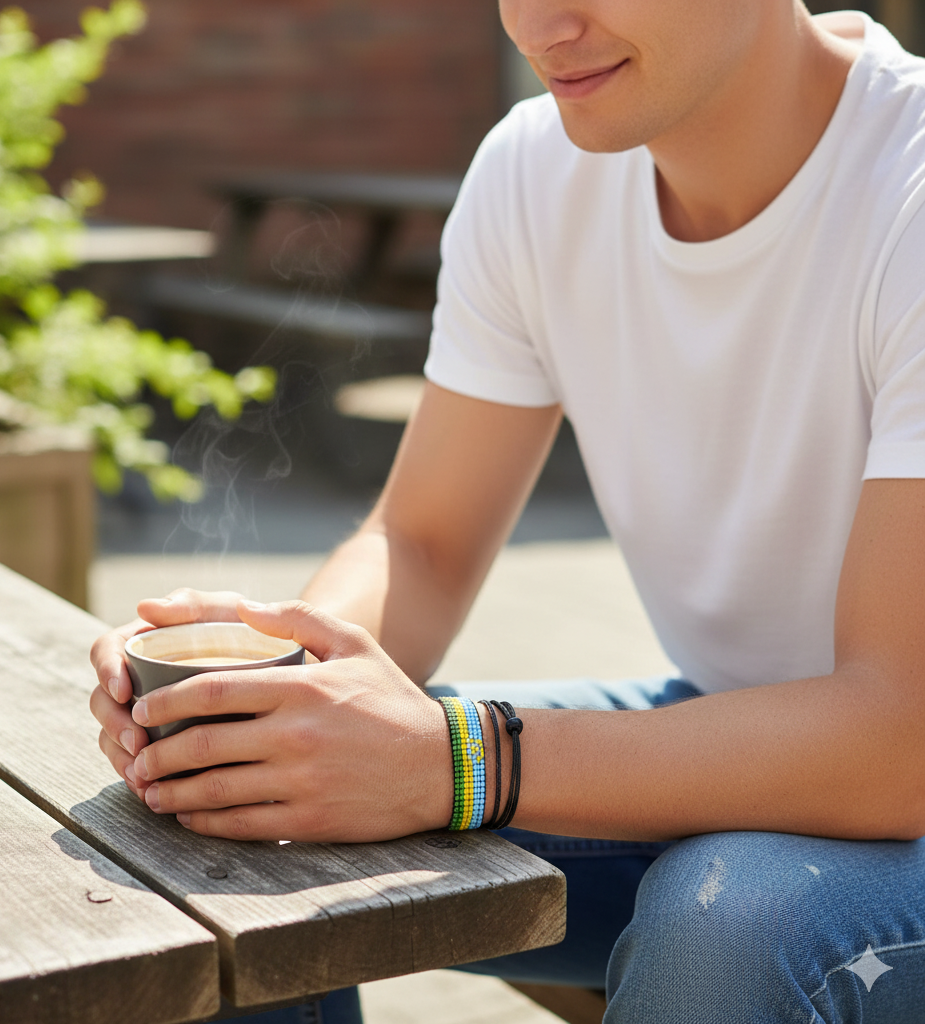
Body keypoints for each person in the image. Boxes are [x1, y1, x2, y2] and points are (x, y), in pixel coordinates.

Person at [90, 2, 925, 1020]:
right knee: (259, 800)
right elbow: (423, 542)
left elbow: (896, 741)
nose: (536, 23)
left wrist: (461, 760)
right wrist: (276, 687)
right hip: (731, 737)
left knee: (728, 927)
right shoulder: (536, 172)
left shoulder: (907, 188)